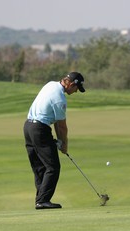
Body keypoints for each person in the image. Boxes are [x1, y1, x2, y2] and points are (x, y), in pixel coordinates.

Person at [23, 72, 85, 209]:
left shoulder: (50, 84)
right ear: (70, 83)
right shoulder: (60, 99)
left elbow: (57, 123)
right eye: (76, 88)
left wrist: (60, 142)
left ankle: (40, 199)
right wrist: (64, 145)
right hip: (40, 129)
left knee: (40, 166)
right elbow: (62, 126)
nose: (75, 92)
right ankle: (43, 200)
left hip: (28, 127)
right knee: (53, 167)